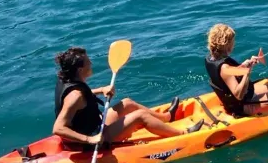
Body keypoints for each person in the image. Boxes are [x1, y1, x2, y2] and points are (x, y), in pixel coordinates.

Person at [53, 47, 182, 145]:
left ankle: (167, 117)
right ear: (80, 70)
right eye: (88, 62)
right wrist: (90, 139)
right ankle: (183, 134)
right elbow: (58, 128)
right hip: (90, 140)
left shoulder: (68, 79)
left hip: (95, 125)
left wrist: (102, 89)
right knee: (140, 116)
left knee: (127, 103)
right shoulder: (75, 97)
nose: (91, 63)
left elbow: (82, 94)